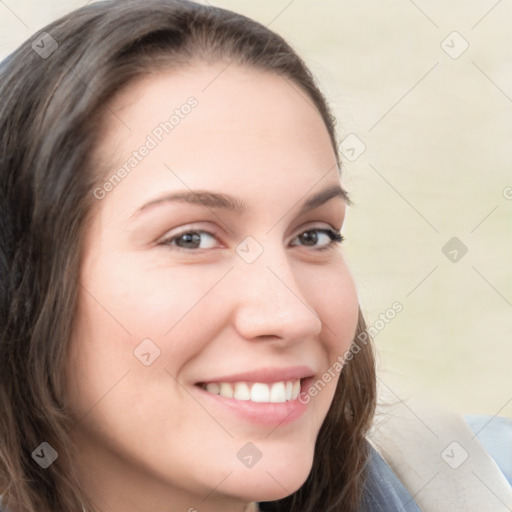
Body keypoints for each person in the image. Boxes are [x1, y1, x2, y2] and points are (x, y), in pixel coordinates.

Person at [0, 1, 510, 511]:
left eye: (313, 236)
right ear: (21, 278)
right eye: (190, 239)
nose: (291, 315)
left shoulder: (483, 483)